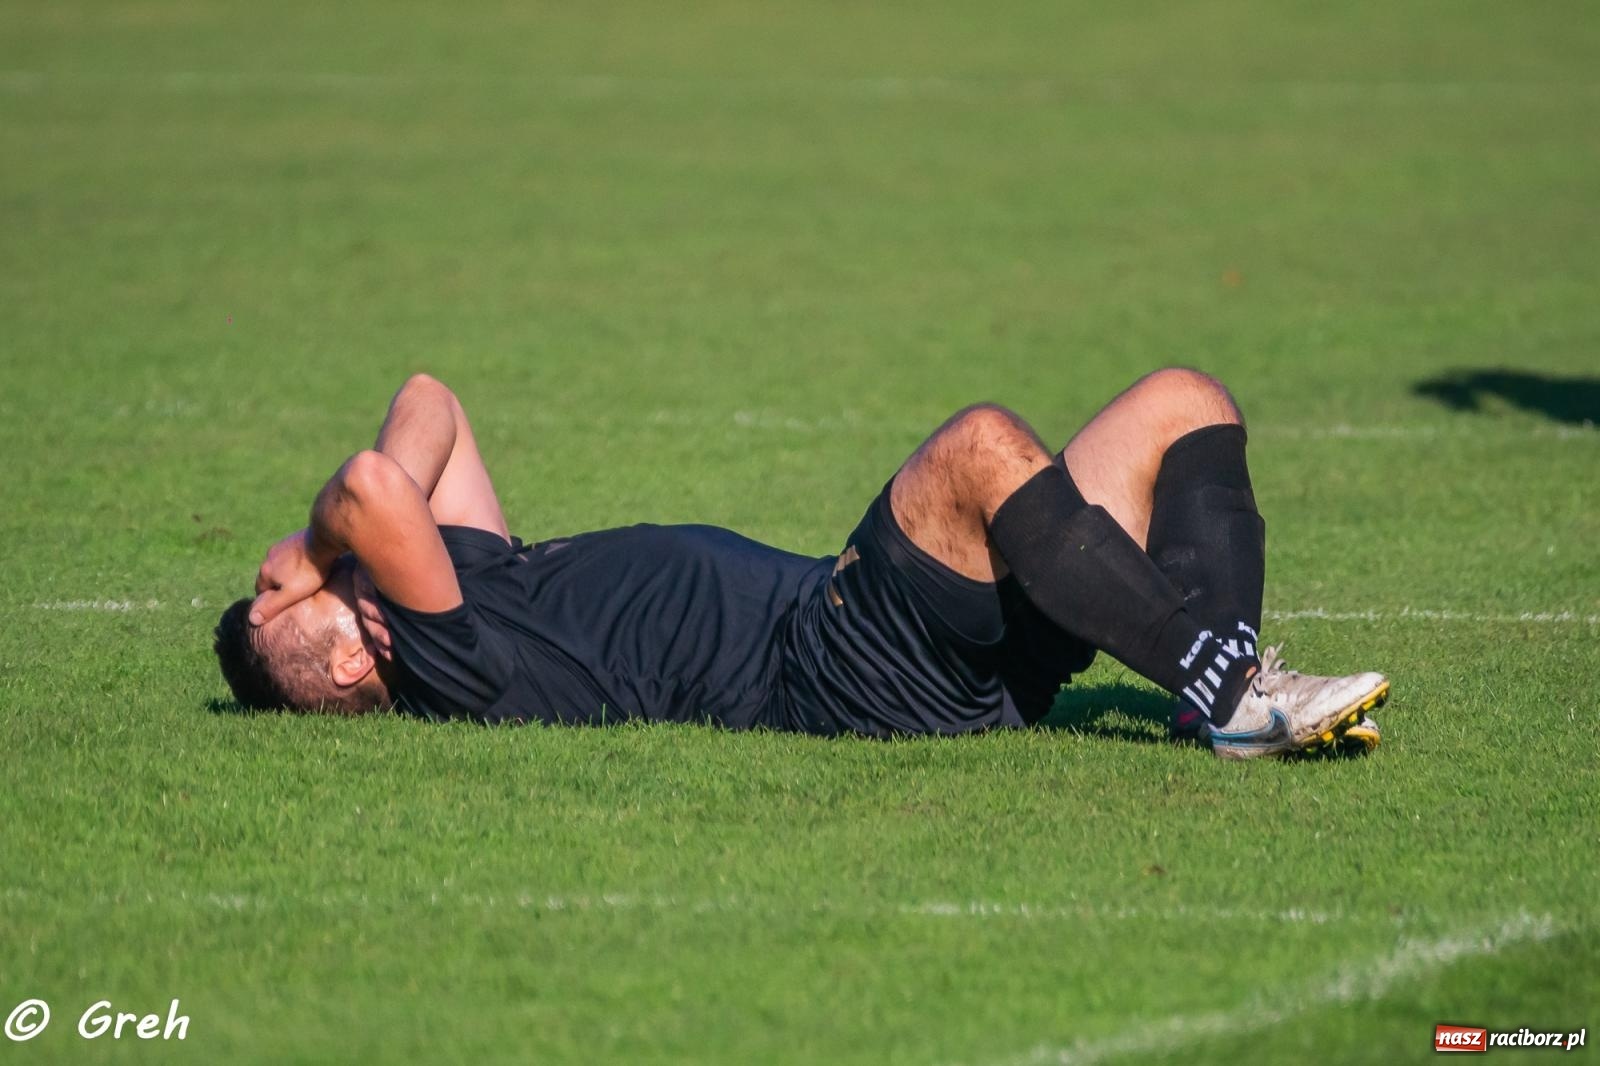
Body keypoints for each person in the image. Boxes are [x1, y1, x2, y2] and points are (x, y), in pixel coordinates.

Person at [213, 370, 1388, 759]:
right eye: (332, 596)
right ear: (368, 650)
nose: (346, 579)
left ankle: (1214, 685)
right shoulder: (451, 662)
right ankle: (1231, 692)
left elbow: (430, 402)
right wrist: (308, 547)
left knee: (1185, 405)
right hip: (841, 665)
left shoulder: (472, 582)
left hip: (902, 645)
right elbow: (372, 490)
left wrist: (319, 570)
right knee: (978, 446)